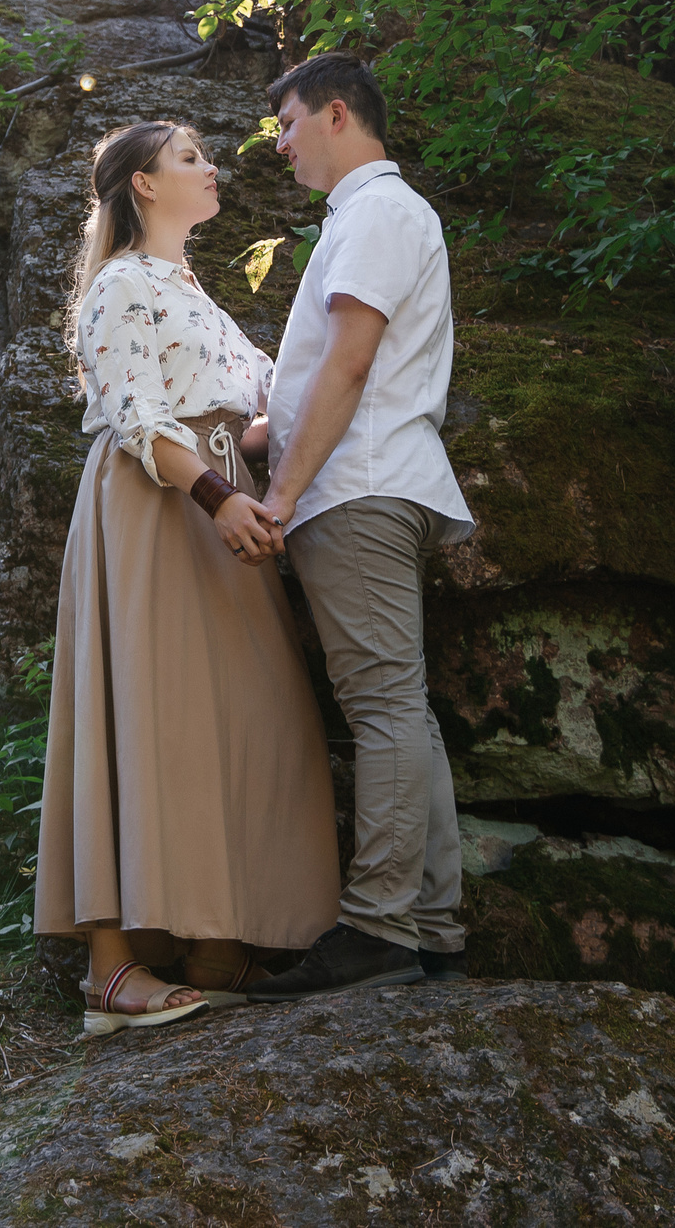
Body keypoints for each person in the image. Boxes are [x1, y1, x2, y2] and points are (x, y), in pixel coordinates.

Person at [33, 120, 343, 1037]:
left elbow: (250, 411)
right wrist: (218, 496)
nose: (214, 168)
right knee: (139, 715)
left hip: (219, 505)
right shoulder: (122, 283)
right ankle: (111, 965)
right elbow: (134, 411)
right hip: (157, 507)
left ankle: (214, 941)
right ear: (143, 186)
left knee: (246, 715)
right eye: (191, 158)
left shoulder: (193, 291)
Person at [241, 54, 477, 1002]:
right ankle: (432, 926)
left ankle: (379, 926)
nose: (282, 141)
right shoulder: (370, 216)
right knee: (402, 707)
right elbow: (315, 380)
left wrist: (281, 495)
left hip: (361, 486)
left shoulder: (378, 211)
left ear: (338, 113)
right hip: (375, 480)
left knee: (382, 705)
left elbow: (349, 363)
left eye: (290, 121)